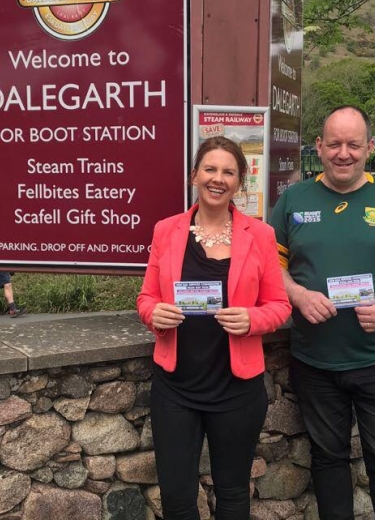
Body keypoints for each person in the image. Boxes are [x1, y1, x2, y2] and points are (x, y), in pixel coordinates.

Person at [269, 105, 375, 520]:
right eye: (335, 144)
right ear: (319, 147)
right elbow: (271, 265)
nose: (343, 153)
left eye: (353, 144)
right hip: (316, 360)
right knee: (328, 458)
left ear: (370, 148)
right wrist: (298, 295)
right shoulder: (293, 199)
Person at [137, 136, 292, 520]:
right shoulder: (166, 231)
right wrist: (154, 314)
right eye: (210, 169)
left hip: (236, 389)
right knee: (176, 497)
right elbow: (146, 297)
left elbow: (280, 306)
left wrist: (252, 319)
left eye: (228, 172)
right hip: (175, 388)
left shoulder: (260, 235)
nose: (217, 179)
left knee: (234, 492)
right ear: (195, 175)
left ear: (240, 181)